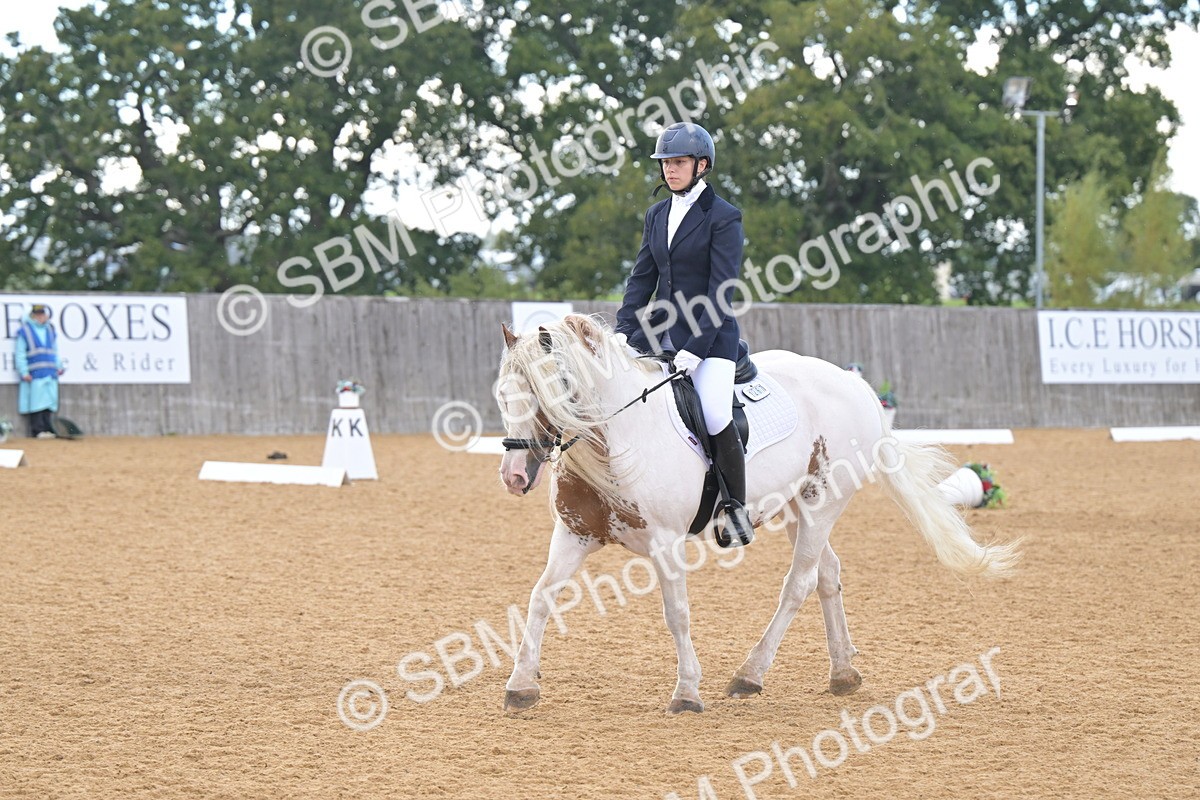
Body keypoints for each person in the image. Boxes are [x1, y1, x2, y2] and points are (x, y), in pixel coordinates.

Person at [614, 122, 754, 547]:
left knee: (713, 412)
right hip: (660, 336)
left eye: (677, 163)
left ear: (702, 165)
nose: (669, 171)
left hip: (711, 340)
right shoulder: (657, 214)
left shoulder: (724, 216)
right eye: (665, 163)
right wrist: (624, 331)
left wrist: (695, 348)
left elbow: (721, 290)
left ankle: (735, 508)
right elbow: (643, 277)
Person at [15, 303, 64, 439]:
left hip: (50, 371)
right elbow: (20, 354)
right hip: (35, 373)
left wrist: (59, 366)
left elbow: (55, 351)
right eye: (38, 314)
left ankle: (48, 428)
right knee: (36, 402)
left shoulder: (49, 330)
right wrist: (24, 371)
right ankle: (37, 430)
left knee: (49, 401)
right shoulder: (25, 331)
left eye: (42, 314)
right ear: (33, 316)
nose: (41, 317)